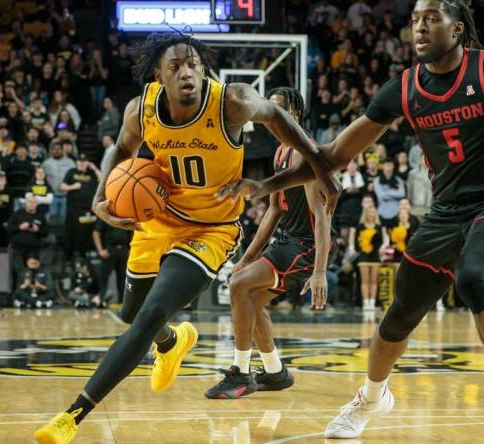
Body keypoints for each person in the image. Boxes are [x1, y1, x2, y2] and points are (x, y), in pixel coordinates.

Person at [218, 1, 484, 441]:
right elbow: (331, 157)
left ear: (459, 29)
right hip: (446, 210)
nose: (420, 26)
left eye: (431, 17)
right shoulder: (402, 89)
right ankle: (372, 397)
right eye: (414, 20)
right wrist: (266, 185)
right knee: (399, 316)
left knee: (472, 278)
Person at [35, 33, 336, 444]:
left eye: (193, 64)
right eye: (175, 66)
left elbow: (280, 119)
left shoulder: (233, 101)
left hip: (212, 230)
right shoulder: (141, 110)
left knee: (149, 315)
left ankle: (71, 416)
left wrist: (320, 166)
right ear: (158, 75)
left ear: (204, 69)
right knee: (131, 314)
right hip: (159, 218)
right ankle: (174, 341)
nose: (186, 72)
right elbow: (122, 149)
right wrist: (101, 193)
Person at [205, 87, 335, 399]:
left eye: (278, 108)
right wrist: (247, 257)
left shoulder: (305, 153)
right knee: (248, 296)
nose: (270, 114)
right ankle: (275, 371)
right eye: (268, 107)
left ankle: (240, 373)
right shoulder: (279, 152)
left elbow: (323, 215)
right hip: (287, 241)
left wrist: (320, 271)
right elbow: (274, 210)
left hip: (305, 246)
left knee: (239, 288)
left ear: (295, 114)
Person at [349, 205, 386, 312]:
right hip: (364, 256)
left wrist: (383, 249)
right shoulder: (360, 226)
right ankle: (365, 303)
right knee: (365, 281)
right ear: (366, 214)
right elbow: (356, 241)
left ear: (376, 214)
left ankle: (372, 303)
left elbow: (383, 241)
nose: (371, 214)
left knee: (374, 281)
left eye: (373, 212)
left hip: (375, 256)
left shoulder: (379, 226)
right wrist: (353, 249)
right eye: (369, 212)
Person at [7, 195, 48, 288]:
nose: (32, 204)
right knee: (18, 269)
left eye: (34, 202)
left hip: (33, 248)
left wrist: (37, 230)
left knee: (32, 269)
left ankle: (31, 290)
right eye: (30, 202)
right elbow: (9, 228)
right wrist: (20, 227)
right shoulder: (17, 214)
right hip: (18, 247)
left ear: (37, 204)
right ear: (25, 203)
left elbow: (46, 232)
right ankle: (17, 290)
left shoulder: (40, 216)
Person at [92, 219, 130, 304]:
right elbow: (96, 233)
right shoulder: (105, 215)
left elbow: (132, 233)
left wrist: (130, 250)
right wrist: (100, 250)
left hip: (124, 250)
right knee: (103, 278)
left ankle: (123, 304)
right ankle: (101, 301)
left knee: (123, 280)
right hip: (109, 250)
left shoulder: (126, 215)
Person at [374, 158, 406, 226]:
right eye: (387, 165)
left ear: (393, 166)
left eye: (391, 165)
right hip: (382, 212)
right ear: (383, 166)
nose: (389, 167)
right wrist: (395, 193)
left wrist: (386, 192)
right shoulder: (377, 180)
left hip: (396, 213)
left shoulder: (398, 180)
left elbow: (402, 194)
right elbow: (381, 196)